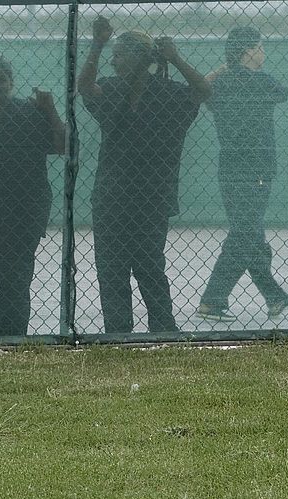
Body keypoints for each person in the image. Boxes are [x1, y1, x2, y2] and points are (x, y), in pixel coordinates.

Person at [78, 18, 210, 334]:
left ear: (139, 57)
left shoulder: (167, 94)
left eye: (119, 54)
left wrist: (175, 58)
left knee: (149, 266)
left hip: (150, 196)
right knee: (112, 271)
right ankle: (118, 332)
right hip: (114, 197)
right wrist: (96, 44)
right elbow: (85, 87)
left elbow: (204, 90)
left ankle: (163, 330)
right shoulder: (112, 89)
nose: (113, 60)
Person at [0, 55, 65, 336]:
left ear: (11, 83)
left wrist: (50, 109)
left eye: (0, 80)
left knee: (14, 279)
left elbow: (62, 144)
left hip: (25, 207)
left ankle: (11, 337)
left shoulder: (29, 112)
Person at [197, 27, 288, 323]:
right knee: (245, 234)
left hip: (231, 169)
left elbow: (201, 90)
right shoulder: (262, 82)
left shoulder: (220, 84)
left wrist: (225, 69)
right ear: (249, 50)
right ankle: (212, 301)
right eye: (260, 47)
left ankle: (274, 296)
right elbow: (284, 93)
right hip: (258, 169)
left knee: (250, 234)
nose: (264, 53)